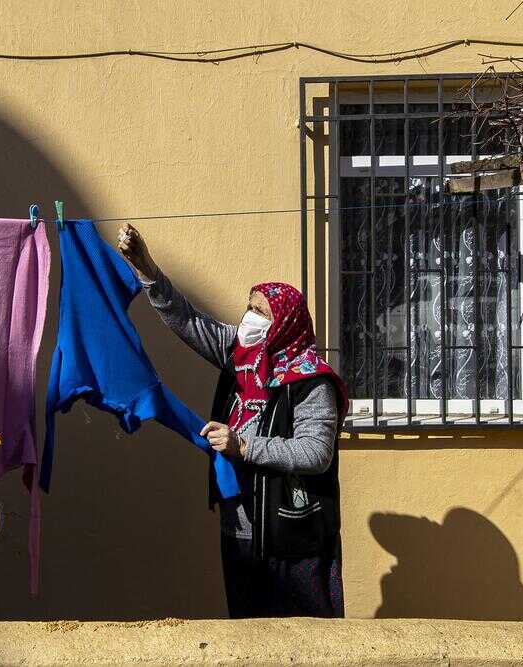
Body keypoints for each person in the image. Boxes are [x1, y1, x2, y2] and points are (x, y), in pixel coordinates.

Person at [117, 223, 349, 618]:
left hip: (294, 538)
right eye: (249, 307)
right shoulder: (241, 357)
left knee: (307, 645)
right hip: (240, 531)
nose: (249, 318)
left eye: (260, 311)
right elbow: (189, 322)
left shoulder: (311, 381)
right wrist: (147, 270)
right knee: (248, 640)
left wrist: (244, 446)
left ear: (284, 324)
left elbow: (316, 452)